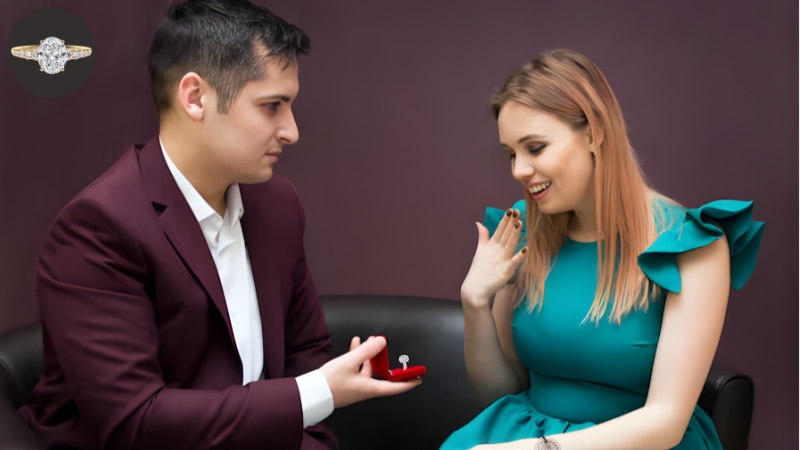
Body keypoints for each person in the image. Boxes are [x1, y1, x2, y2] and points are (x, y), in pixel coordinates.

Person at [17, 1, 419, 449]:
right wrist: (320, 392)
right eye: (272, 106)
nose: (291, 131)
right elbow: (134, 421)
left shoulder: (277, 204)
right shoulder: (98, 226)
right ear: (195, 97)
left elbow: (305, 352)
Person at [440, 49, 764, 450]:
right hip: (523, 438)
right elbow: (501, 395)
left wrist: (539, 449)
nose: (518, 170)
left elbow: (666, 422)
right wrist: (474, 303)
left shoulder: (691, 245)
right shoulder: (522, 231)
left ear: (593, 132)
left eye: (535, 148)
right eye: (511, 154)